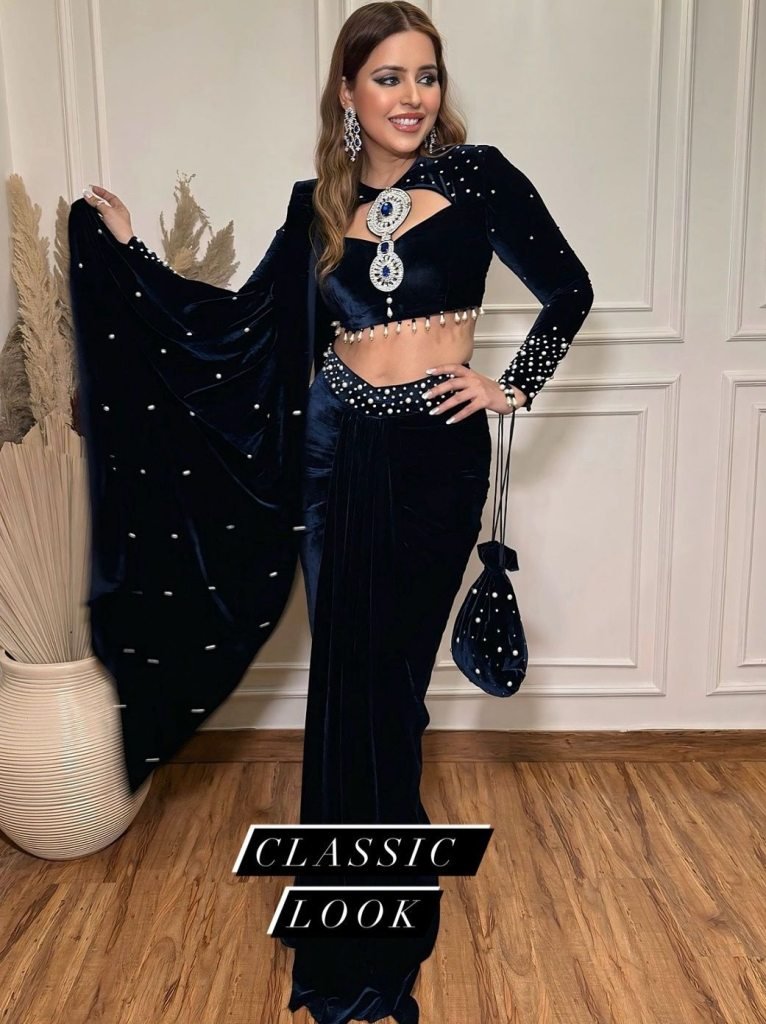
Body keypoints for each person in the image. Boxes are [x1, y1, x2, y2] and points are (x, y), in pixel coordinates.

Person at [72, 3, 593, 1021]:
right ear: (348, 92)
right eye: (388, 77)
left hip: (436, 456)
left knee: (392, 686)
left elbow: (568, 289)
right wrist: (133, 258)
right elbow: (242, 326)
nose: (412, 96)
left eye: (426, 76)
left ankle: (382, 905)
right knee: (346, 680)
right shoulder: (318, 204)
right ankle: (347, 911)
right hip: (337, 452)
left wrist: (512, 385)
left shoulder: (480, 178)